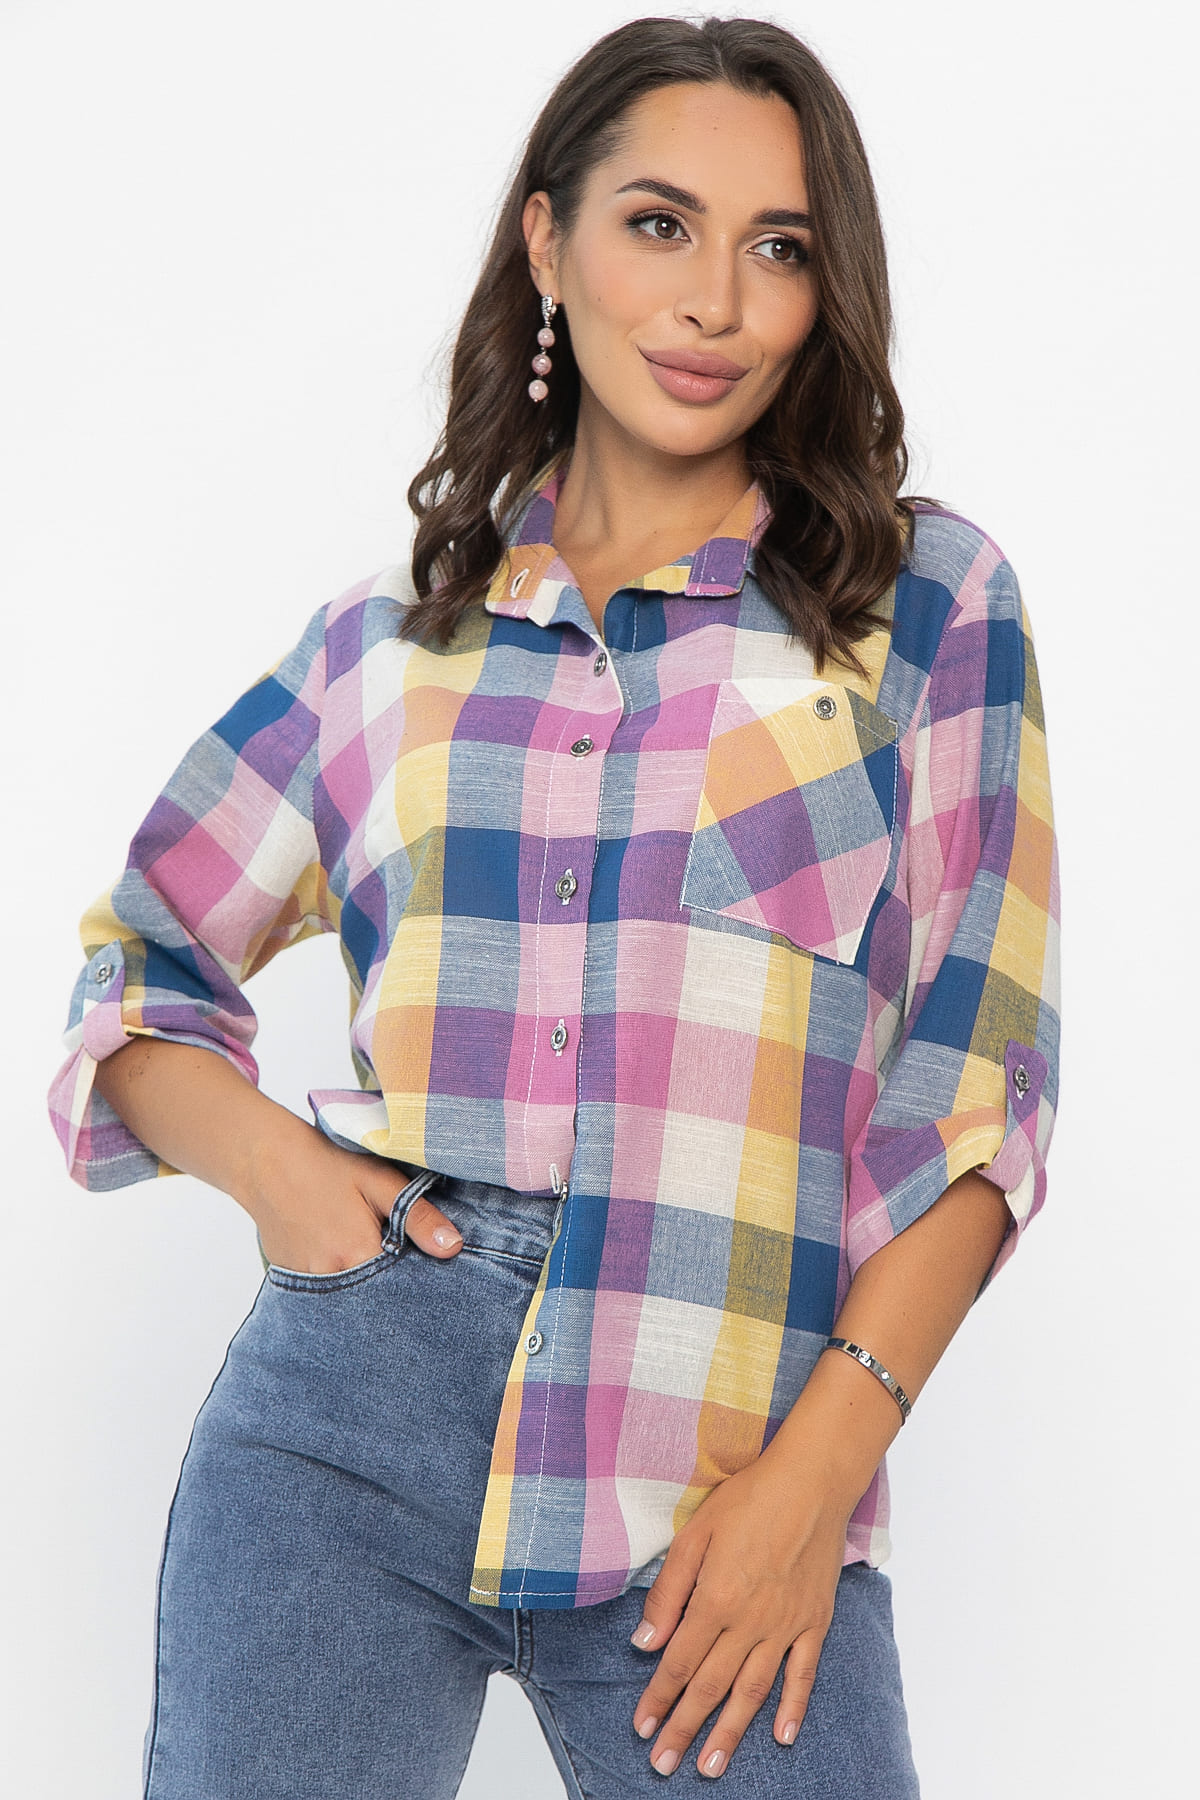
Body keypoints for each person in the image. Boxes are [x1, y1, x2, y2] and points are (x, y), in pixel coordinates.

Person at [47, 15, 1059, 1797]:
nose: (715, 302)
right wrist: (293, 1182)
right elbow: (140, 963)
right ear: (548, 242)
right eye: (659, 224)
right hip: (345, 1438)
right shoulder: (388, 648)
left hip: (733, 1468)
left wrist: (819, 1474)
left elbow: (980, 1095)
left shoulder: (919, 606)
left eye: (779, 247)